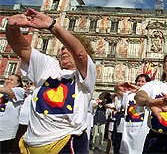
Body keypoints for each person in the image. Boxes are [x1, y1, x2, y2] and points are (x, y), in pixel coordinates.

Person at [6, 8, 97, 153]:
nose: (64, 51)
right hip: (31, 143)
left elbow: (79, 54)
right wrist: (11, 27)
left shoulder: (86, 73)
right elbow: (21, 47)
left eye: (68, 48)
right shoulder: (48, 66)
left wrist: (52, 25)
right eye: (62, 49)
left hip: (66, 143)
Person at [119, 74, 151, 154]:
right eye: (138, 81)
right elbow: (117, 91)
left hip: (142, 135)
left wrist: (141, 89)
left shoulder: (150, 96)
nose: (140, 83)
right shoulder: (129, 95)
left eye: (143, 81)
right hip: (127, 136)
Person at [0, 74, 24, 153]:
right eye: (7, 79)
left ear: (18, 84)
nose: (8, 81)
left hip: (6, 133)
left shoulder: (19, 91)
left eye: (12, 80)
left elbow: (10, 92)